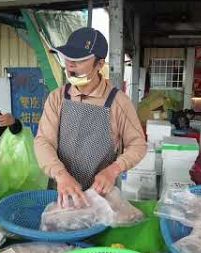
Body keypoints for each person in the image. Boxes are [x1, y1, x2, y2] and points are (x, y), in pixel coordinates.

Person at [34, 27, 147, 208]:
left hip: (101, 197)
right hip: (61, 191)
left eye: (80, 60)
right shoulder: (57, 98)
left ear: (99, 64)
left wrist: (113, 170)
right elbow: (43, 142)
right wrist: (61, 175)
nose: (70, 65)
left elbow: (138, 145)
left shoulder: (118, 102)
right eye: (68, 57)